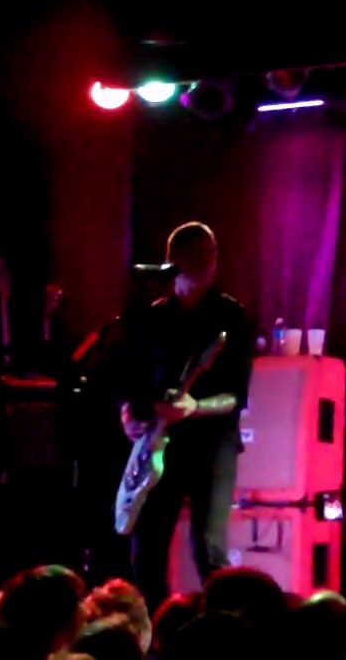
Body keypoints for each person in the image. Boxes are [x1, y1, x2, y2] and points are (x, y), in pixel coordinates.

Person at [116, 221, 254, 614]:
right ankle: (154, 630)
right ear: (173, 262)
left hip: (213, 443)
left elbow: (236, 396)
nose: (206, 263)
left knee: (210, 548)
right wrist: (128, 414)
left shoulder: (232, 317)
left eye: (210, 254)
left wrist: (194, 407)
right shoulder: (151, 318)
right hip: (162, 442)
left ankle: (224, 630)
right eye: (195, 256)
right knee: (147, 546)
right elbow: (131, 379)